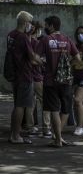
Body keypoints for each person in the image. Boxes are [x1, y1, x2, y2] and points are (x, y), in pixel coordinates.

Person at [37, 15, 82, 147]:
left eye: (46, 25)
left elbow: (35, 57)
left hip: (50, 81)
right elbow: (78, 58)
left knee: (54, 110)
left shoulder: (46, 40)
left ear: (51, 25)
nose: (45, 27)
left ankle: (57, 140)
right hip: (66, 80)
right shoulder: (67, 40)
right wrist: (68, 64)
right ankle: (59, 137)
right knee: (66, 110)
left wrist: (43, 64)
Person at [7, 11, 43, 144]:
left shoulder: (11, 35)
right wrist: (42, 61)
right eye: (30, 23)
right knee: (21, 106)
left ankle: (13, 133)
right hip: (25, 75)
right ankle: (16, 136)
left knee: (17, 105)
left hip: (15, 75)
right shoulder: (22, 37)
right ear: (26, 23)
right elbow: (32, 56)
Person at [29, 21, 52, 138]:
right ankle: (46, 128)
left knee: (30, 104)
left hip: (27, 77)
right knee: (45, 103)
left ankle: (31, 127)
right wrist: (42, 61)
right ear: (37, 30)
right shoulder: (37, 43)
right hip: (37, 77)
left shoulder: (26, 42)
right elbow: (35, 60)